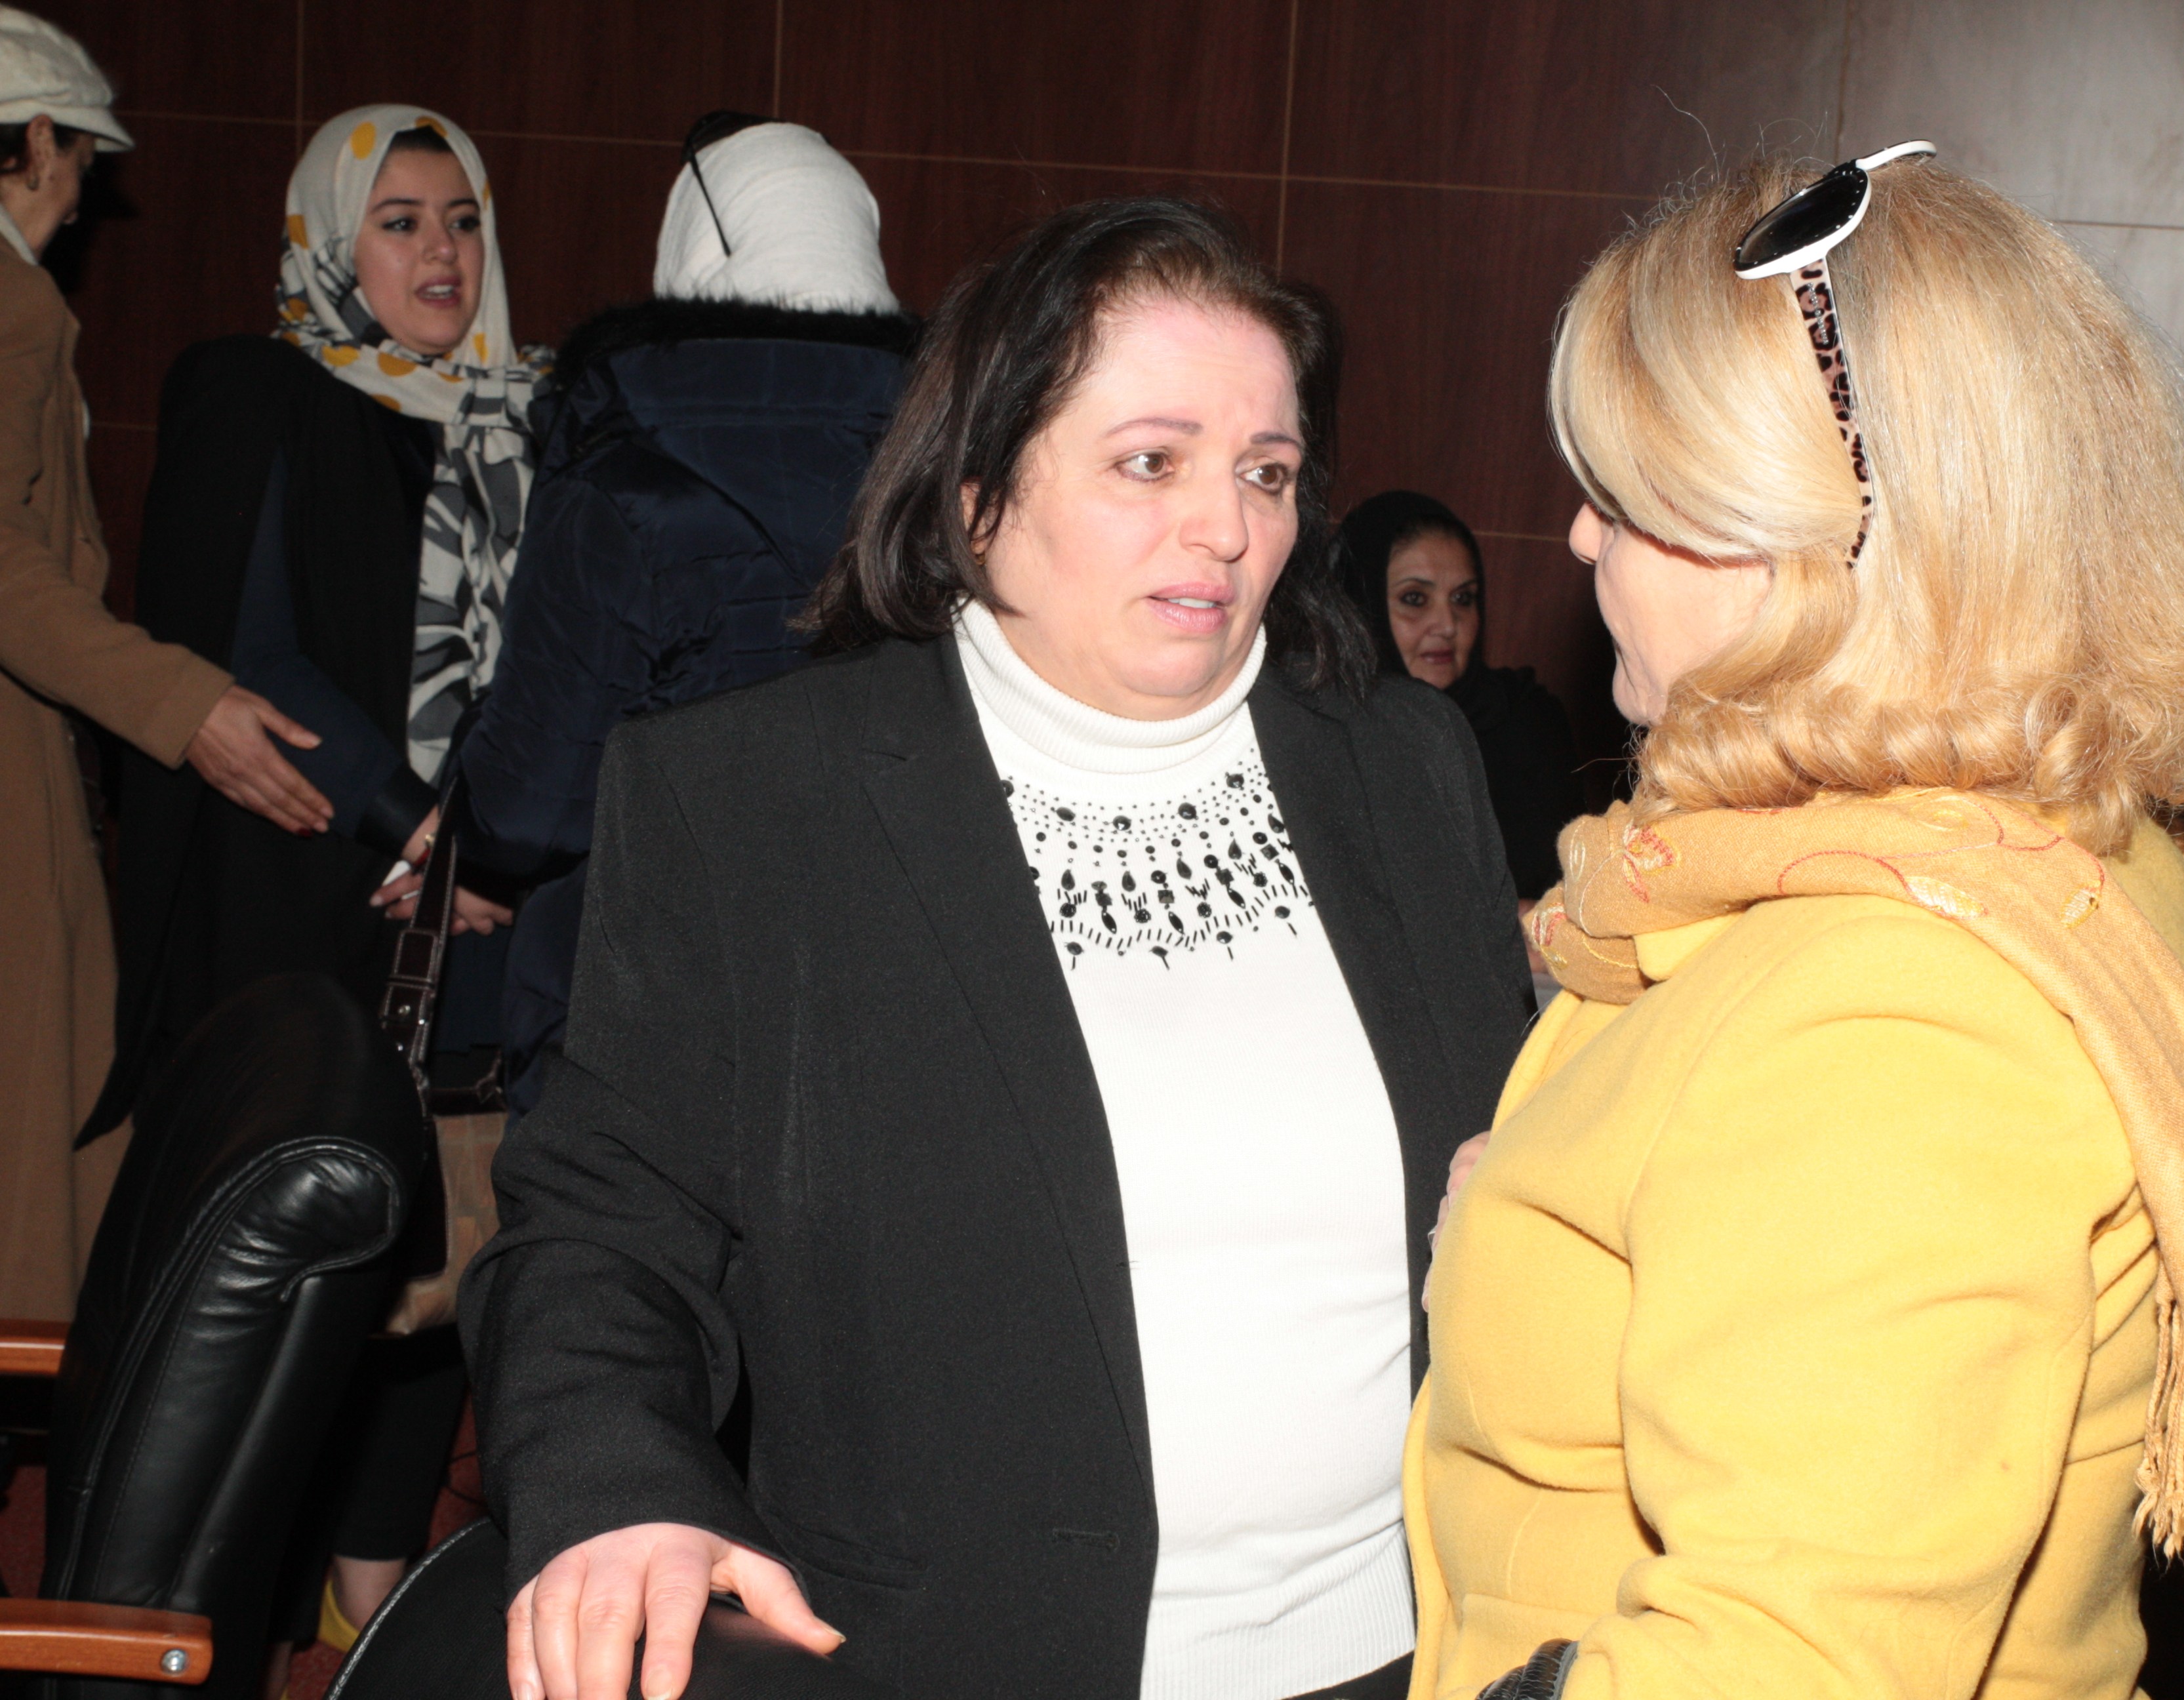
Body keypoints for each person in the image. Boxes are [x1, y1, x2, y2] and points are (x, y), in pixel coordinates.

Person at [460, 197, 1535, 1700]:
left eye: (1266, 471)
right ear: (976, 494)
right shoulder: (754, 798)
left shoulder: (1404, 767)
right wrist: (618, 1486)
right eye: (1150, 461)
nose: (1226, 527)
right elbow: (600, 1227)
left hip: (1424, 1648)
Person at [1411, 150, 2184, 1699]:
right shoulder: (2041, 853)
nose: (1578, 541)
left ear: (1820, 554)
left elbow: (1781, 1664)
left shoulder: (1896, 1004)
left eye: (1628, 500)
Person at [99, 104, 544, 1667]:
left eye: (463, 218)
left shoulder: (525, 413)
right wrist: (424, 833)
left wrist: (502, 846)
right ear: (329, 241)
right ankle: (217, 1610)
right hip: (310, 891)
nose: (443, 252)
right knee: (289, 1277)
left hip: (472, 895)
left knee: (437, 1257)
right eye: (400, 222)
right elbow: (253, 648)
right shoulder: (257, 386)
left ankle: (373, 1599)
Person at [439, 111, 918, 1120]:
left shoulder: (623, 484)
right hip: (885, 1008)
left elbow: (525, 811)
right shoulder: (962, 487)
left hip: (637, 1016)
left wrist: (456, 802)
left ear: (695, 246)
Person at [0, 7, 335, 1320]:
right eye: (80, 157)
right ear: (32, 140)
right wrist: (183, 704)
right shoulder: (14, 307)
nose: (84, 194)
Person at [1335, 491, 1577, 905]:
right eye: (1415, 599)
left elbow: (1576, 896)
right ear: (1360, 603)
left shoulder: (1522, 719)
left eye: (1463, 599)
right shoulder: (1323, 732)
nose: (1447, 625)